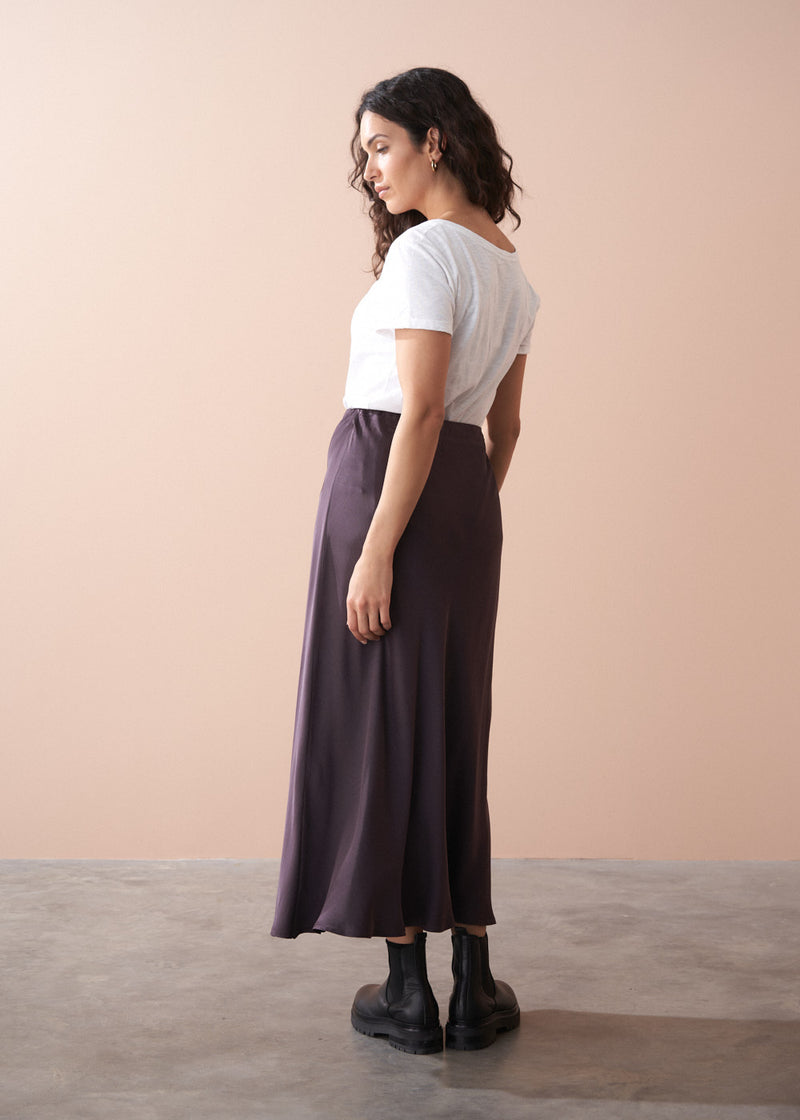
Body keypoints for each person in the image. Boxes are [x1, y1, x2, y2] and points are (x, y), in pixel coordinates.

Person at [270, 67, 542, 1055]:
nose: (370, 167)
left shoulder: (426, 253)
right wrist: (455, 524)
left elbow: (419, 409)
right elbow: (499, 426)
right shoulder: (507, 264)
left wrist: (382, 546)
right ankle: (472, 983)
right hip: (461, 497)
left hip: (388, 481)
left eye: (380, 145)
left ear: (436, 139)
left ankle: (405, 990)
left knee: (380, 727)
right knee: (450, 728)